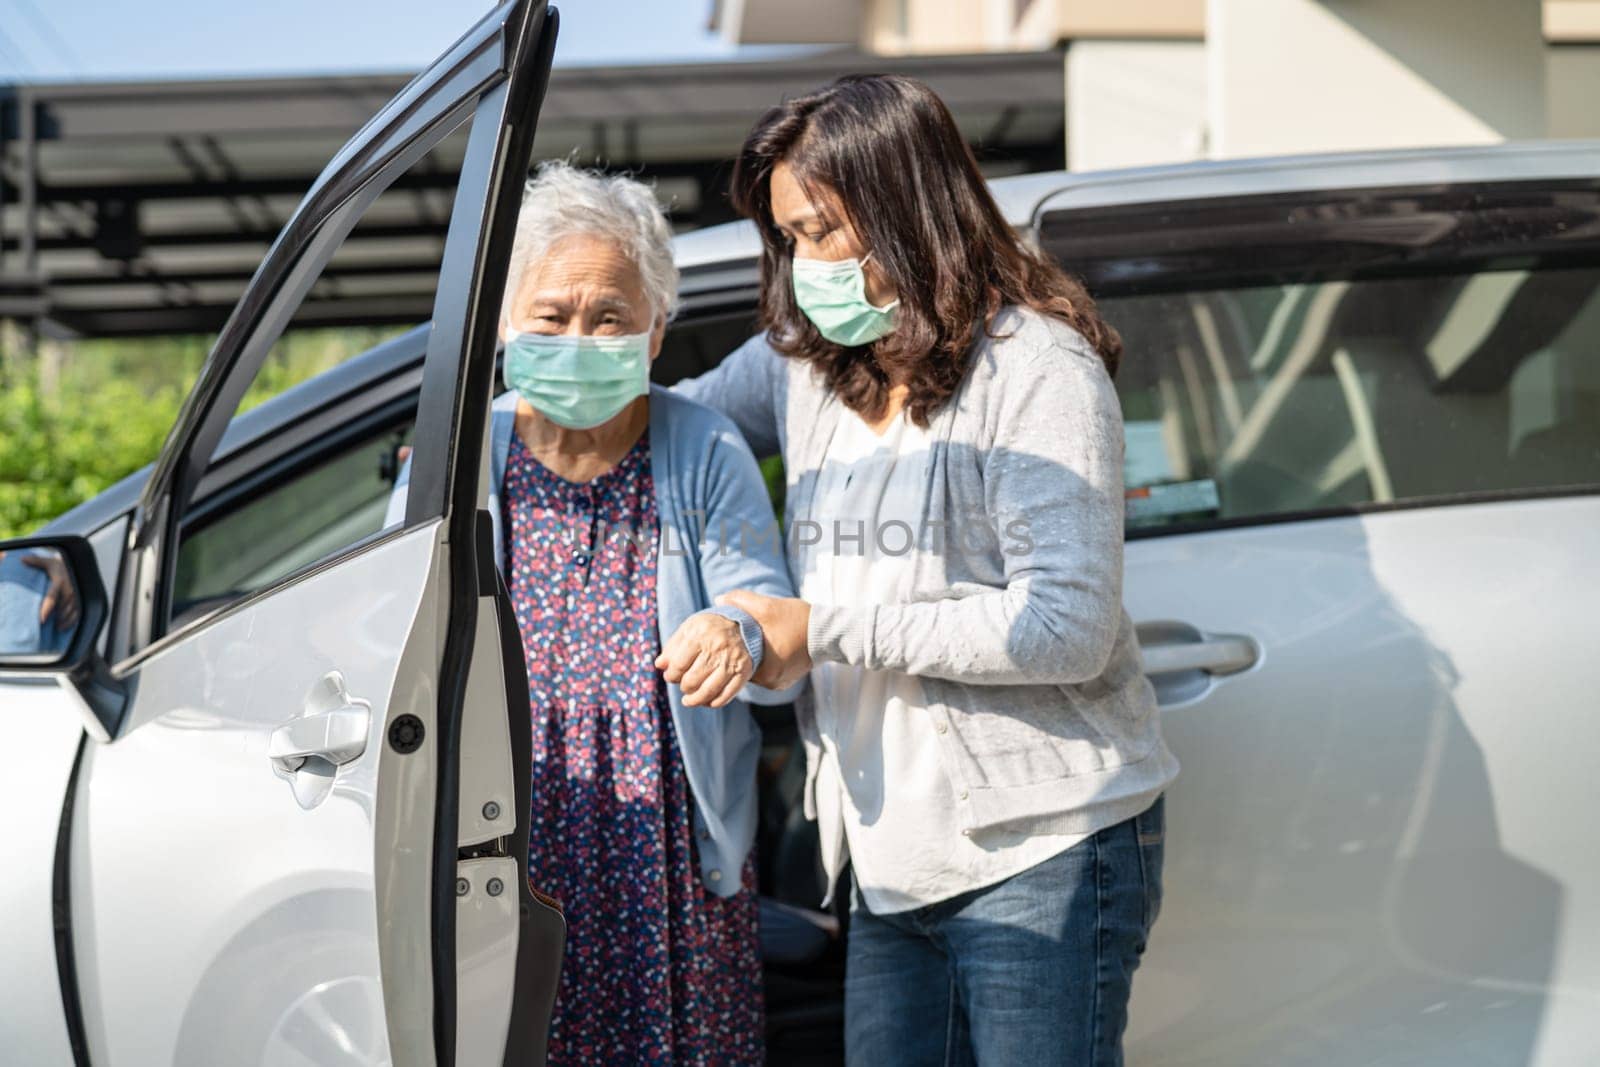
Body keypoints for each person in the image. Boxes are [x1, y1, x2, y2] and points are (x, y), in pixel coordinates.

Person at [677, 75, 1179, 1066]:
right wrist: (508, 426)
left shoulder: (1036, 370)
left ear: (905, 207)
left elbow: (1063, 627)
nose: (803, 264)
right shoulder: (808, 364)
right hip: (888, 856)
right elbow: (674, 430)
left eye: (822, 230)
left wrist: (816, 625)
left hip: (1040, 847)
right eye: (788, 238)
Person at [389, 162, 795, 1064]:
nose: (581, 336)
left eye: (611, 316)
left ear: (655, 333)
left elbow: (765, 607)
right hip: (495, 862)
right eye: (553, 313)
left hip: (669, 868)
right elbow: (386, 639)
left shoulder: (703, 447)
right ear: (504, 321)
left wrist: (739, 630)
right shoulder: (455, 463)